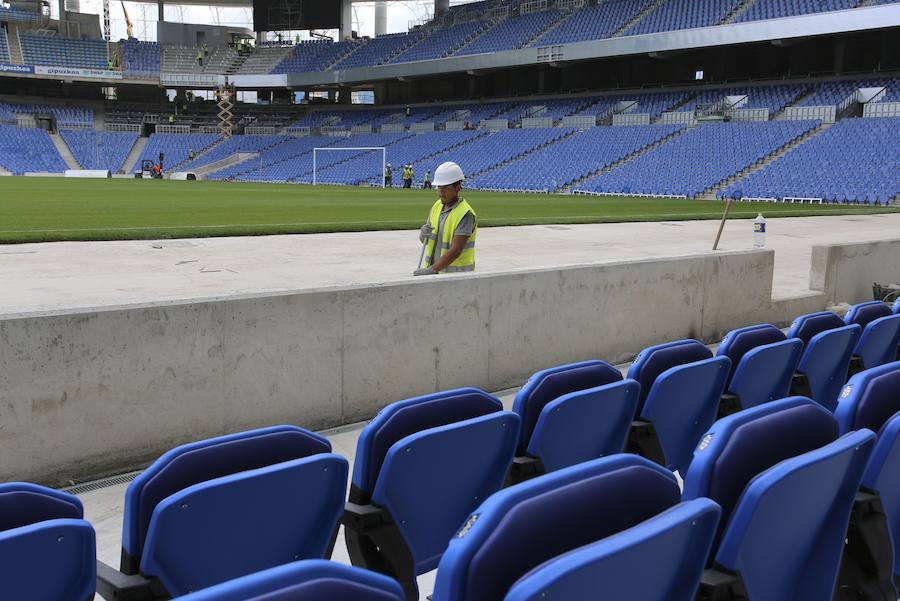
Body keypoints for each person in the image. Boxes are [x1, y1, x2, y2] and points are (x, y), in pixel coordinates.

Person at [413, 161, 476, 276]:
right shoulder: (437, 206)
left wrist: (432, 270)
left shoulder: (465, 214)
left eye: (446, 187)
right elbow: (426, 241)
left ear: (458, 188)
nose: (441, 191)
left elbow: (455, 250)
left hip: (455, 278)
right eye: (439, 187)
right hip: (436, 274)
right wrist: (423, 234)